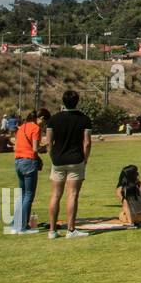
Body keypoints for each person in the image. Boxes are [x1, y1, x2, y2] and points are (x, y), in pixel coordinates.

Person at [46, 89, 93, 239]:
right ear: (77, 101)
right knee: (72, 194)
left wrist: (52, 156)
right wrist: (85, 159)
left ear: (63, 102)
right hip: (76, 159)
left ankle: (52, 230)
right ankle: (71, 229)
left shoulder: (54, 119)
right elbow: (87, 142)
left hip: (58, 160)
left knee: (55, 195)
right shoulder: (84, 119)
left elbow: (48, 142)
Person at [6, 108, 48, 234]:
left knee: (23, 194)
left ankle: (15, 223)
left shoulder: (22, 127)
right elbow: (35, 149)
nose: (44, 125)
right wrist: (45, 147)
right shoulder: (36, 128)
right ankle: (23, 227)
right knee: (29, 195)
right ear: (41, 119)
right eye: (44, 122)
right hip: (29, 162)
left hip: (18, 161)